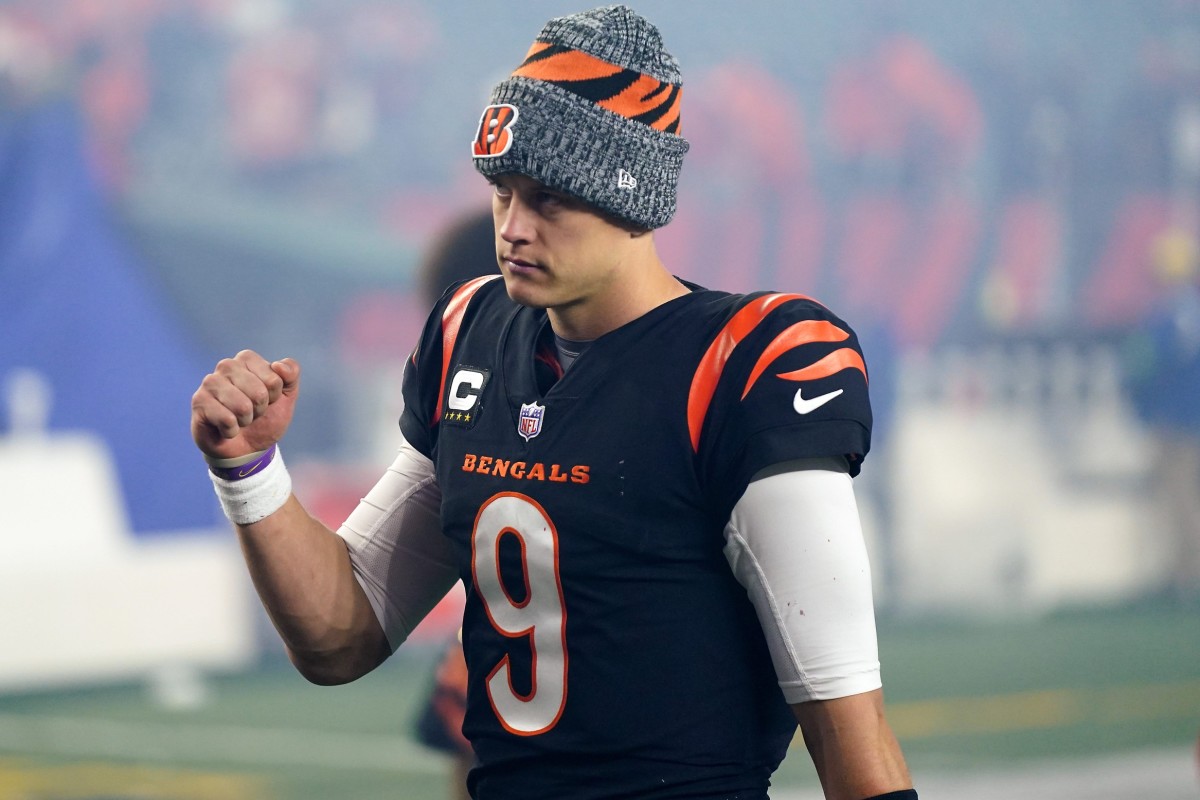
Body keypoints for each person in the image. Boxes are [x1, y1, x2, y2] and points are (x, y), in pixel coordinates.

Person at [189, 6, 917, 799]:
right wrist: (251, 470)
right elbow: (345, 634)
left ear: (633, 199)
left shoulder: (743, 366)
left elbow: (848, 728)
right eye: (502, 193)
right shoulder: (471, 331)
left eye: (549, 201)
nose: (512, 228)